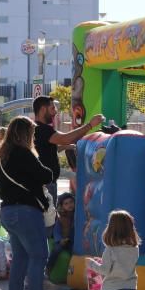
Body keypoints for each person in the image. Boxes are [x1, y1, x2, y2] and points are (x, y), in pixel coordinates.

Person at [0, 115, 61, 290]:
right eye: (32, 133)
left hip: (8, 212)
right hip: (25, 212)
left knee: (21, 258)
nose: (34, 137)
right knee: (39, 255)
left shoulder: (4, 154)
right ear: (25, 134)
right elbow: (47, 175)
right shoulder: (23, 153)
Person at [31, 96, 104, 224]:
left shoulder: (34, 128)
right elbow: (65, 138)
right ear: (43, 109)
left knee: (45, 221)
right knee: (47, 223)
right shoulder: (42, 129)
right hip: (45, 185)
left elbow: (45, 149)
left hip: (42, 183)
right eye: (52, 108)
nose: (55, 112)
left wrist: (66, 146)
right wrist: (90, 125)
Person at [47, 192, 75, 275]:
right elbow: (56, 231)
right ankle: (48, 268)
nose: (70, 205)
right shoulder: (61, 218)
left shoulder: (77, 215)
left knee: (74, 252)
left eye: (71, 202)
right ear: (62, 206)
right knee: (56, 250)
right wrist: (60, 240)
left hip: (73, 241)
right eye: (66, 204)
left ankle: (72, 273)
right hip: (63, 240)